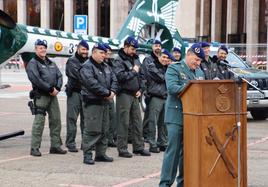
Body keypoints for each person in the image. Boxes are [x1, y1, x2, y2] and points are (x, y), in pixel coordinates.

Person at [159, 43, 205, 187]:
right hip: (176, 116)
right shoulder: (174, 68)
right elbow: (172, 88)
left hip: (193, 117)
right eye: (196, 60)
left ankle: (183, 183)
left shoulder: (199, 73)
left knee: (187, 153)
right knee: (173, 152)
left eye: (200, 61)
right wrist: (193, 88)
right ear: (189, 54)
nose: (198, 64)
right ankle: (165, 184)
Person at [26, 39, 67, 157]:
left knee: (56, 121)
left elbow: (59, 75)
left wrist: (57, 88)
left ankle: (55, 146)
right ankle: (34, 148)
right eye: (40, 48)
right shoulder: (33, 63)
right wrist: (50, 89)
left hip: (53, 96)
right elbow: (36, 79)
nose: (43, 50)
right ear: (36, 49)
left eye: (44, 48)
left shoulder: (51, 63)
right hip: (41, 96)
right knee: (39, 122)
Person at [80, 42, 118, 165]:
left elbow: (114, 79)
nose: (104, 55)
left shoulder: (106, 66)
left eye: (105, 53)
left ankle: (101, 154)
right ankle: (87, 155)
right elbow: (91, 84)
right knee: (92, 129)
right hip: (93, 102)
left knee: (104, 129)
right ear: (94, 52)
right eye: (101, 53)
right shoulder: (87, 66)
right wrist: (107, 93)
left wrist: (112, 91)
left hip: (105, 102)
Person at [113, 36, 151, 158]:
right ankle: (122, 148)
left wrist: (141, 89)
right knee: (123, 122)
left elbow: (142, 76)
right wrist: (133, 72)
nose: (134, 51)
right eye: (132, 48)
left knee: (137, 122)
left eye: (135, 49)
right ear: (126, 47)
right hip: (124, 94)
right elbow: (120, 76)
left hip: (135, 94)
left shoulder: (135, 59)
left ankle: (138, 147)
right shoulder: (119, 60)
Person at [146, 49, 174, 153]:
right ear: (159, 56)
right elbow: (161, 78)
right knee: (153, 121)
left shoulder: (167, 67)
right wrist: (169, 72)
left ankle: (162, 142)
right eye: (163, 57)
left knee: (164, 122)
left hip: (165, 96)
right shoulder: (152, 65)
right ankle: (152, 143)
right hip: (156, 97)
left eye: (167, 58)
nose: (165, 59)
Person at [65, 40, 89, 152]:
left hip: (85, 93)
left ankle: (86, 143)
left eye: (86, 49)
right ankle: (70, 143)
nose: (85, 52)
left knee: (86, 120)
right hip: (74, 93)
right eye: (83, 49)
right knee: (72, 119)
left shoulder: (88, 61)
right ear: (78, 49)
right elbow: (79, 76)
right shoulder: (71, 61)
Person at [141, 39, 162, 143]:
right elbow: (146, 75)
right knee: (149, 115)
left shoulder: (162, 58)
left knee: (150, 115)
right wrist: (146, 90)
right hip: (150, 90)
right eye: (156, 45)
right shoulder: (148, 60)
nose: (158, 47)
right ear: (152, 47)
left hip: (159, 91)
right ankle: (145, 134)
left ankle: (145, 133)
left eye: (159, 46)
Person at [103, 43, 117, 148]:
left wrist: (112, 91)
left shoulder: (111, 63)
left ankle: (110, 138)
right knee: (102, 120)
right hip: (102, 95)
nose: (108, 53)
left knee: (112, 117)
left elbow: (114, 78)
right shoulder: (98, 64)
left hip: (110, 95)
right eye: (105, 51)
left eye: (109, 51)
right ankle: (102, 140)